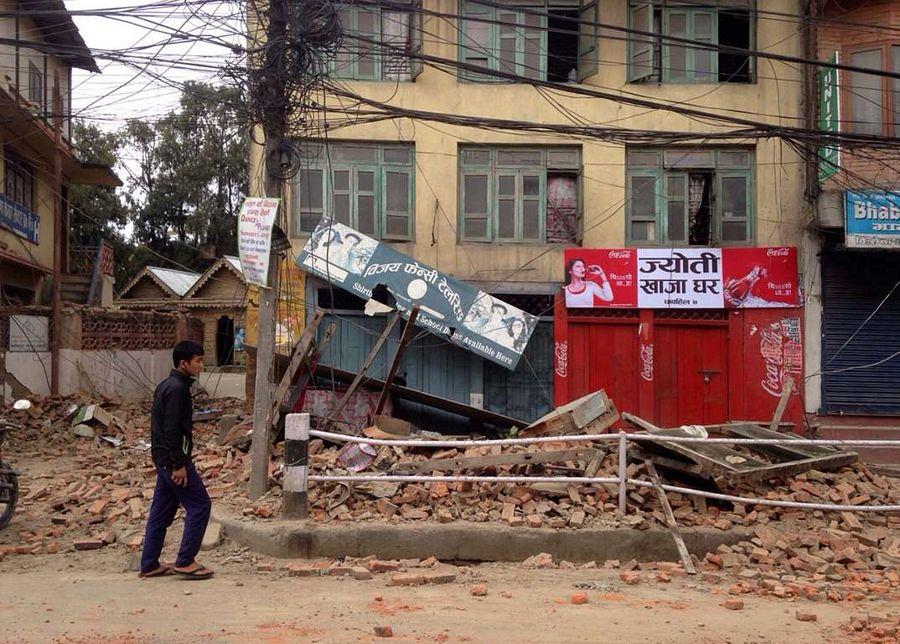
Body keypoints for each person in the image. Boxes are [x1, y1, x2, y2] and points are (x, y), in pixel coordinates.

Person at [139, 340, 213, 580]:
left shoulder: (167, 385)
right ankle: (185, 561)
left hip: (163, 459)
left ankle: (149, 563)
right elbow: (172, 430)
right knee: (200, 505)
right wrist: (178, 465)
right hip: (172, 461)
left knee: (160, 512)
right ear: (184, 363)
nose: (201, 366)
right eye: (198, 361)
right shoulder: (178, 390)